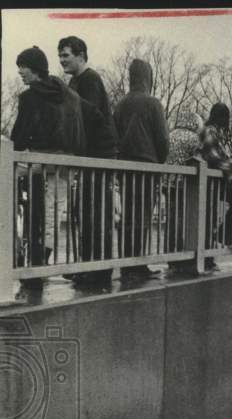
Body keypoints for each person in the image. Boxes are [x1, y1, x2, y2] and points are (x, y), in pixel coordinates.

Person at [11, 46, 85, 267]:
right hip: (67, 162)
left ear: (35, 68)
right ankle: (42, 257)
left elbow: (20, 136)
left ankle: (15, 245)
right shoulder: (69, 94)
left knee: (5, 173)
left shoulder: (30, 96)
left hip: (41, 159)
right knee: (54, 211)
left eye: (22, 67)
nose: (20, 72)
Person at [58, 36, 117, 283]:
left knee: (95, 212)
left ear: (81, 55)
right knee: (86, 211)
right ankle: (89, 266)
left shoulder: (90, 79)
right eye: (60, 55)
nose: (61, 60)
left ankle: (99, 270)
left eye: (66, 55)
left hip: (99, 155)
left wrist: (65, 94)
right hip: (90, 156)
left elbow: (91, 114)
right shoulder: (76, 81)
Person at [113, 58, 169, 279]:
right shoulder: (153, 103)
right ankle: (137, 264)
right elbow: (163, 139)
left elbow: (114, 136)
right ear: (148, 77)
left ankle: (127, 263)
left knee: (128, 215)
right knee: (143, 216)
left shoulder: (121, 104)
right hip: (147, 165)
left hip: (126, 166)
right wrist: (159, 161)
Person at [197, 103, 232, 270]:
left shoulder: (211, 130)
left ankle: (214, 247)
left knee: (210, 217)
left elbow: (219, 154)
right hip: (210, 179)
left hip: (214, 179)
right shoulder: (210, 131)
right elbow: (213, 156)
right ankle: (216, 245)